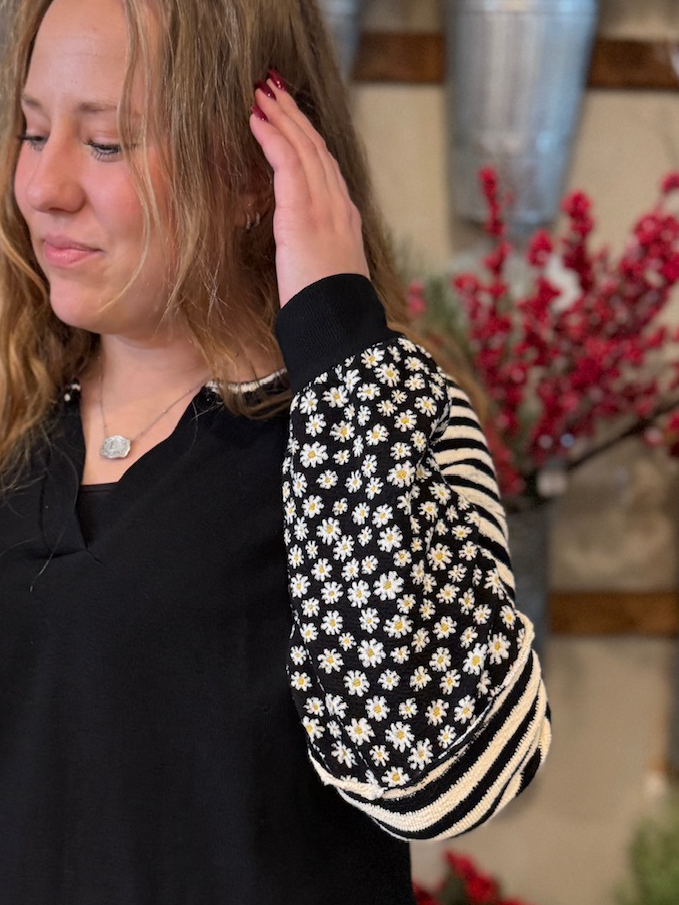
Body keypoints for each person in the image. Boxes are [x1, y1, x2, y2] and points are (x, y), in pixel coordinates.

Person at [0, 0, 551, 902]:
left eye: (106, 144)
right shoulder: (17, 412)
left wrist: (335, 333)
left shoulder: (371, 415)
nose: (44, 185)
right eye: (31, 131)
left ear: (256, 168)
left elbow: (438, 781)